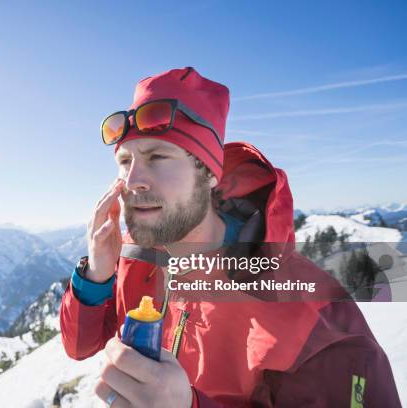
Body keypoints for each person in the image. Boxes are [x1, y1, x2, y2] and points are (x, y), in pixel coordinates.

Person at [59, 67, 401, 407]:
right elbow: (79, 347)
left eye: (158, 157)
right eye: (124, 161)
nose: (133, 180)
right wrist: (96, 276)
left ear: (209, 174)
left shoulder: (312, 316)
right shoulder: (135, 254)